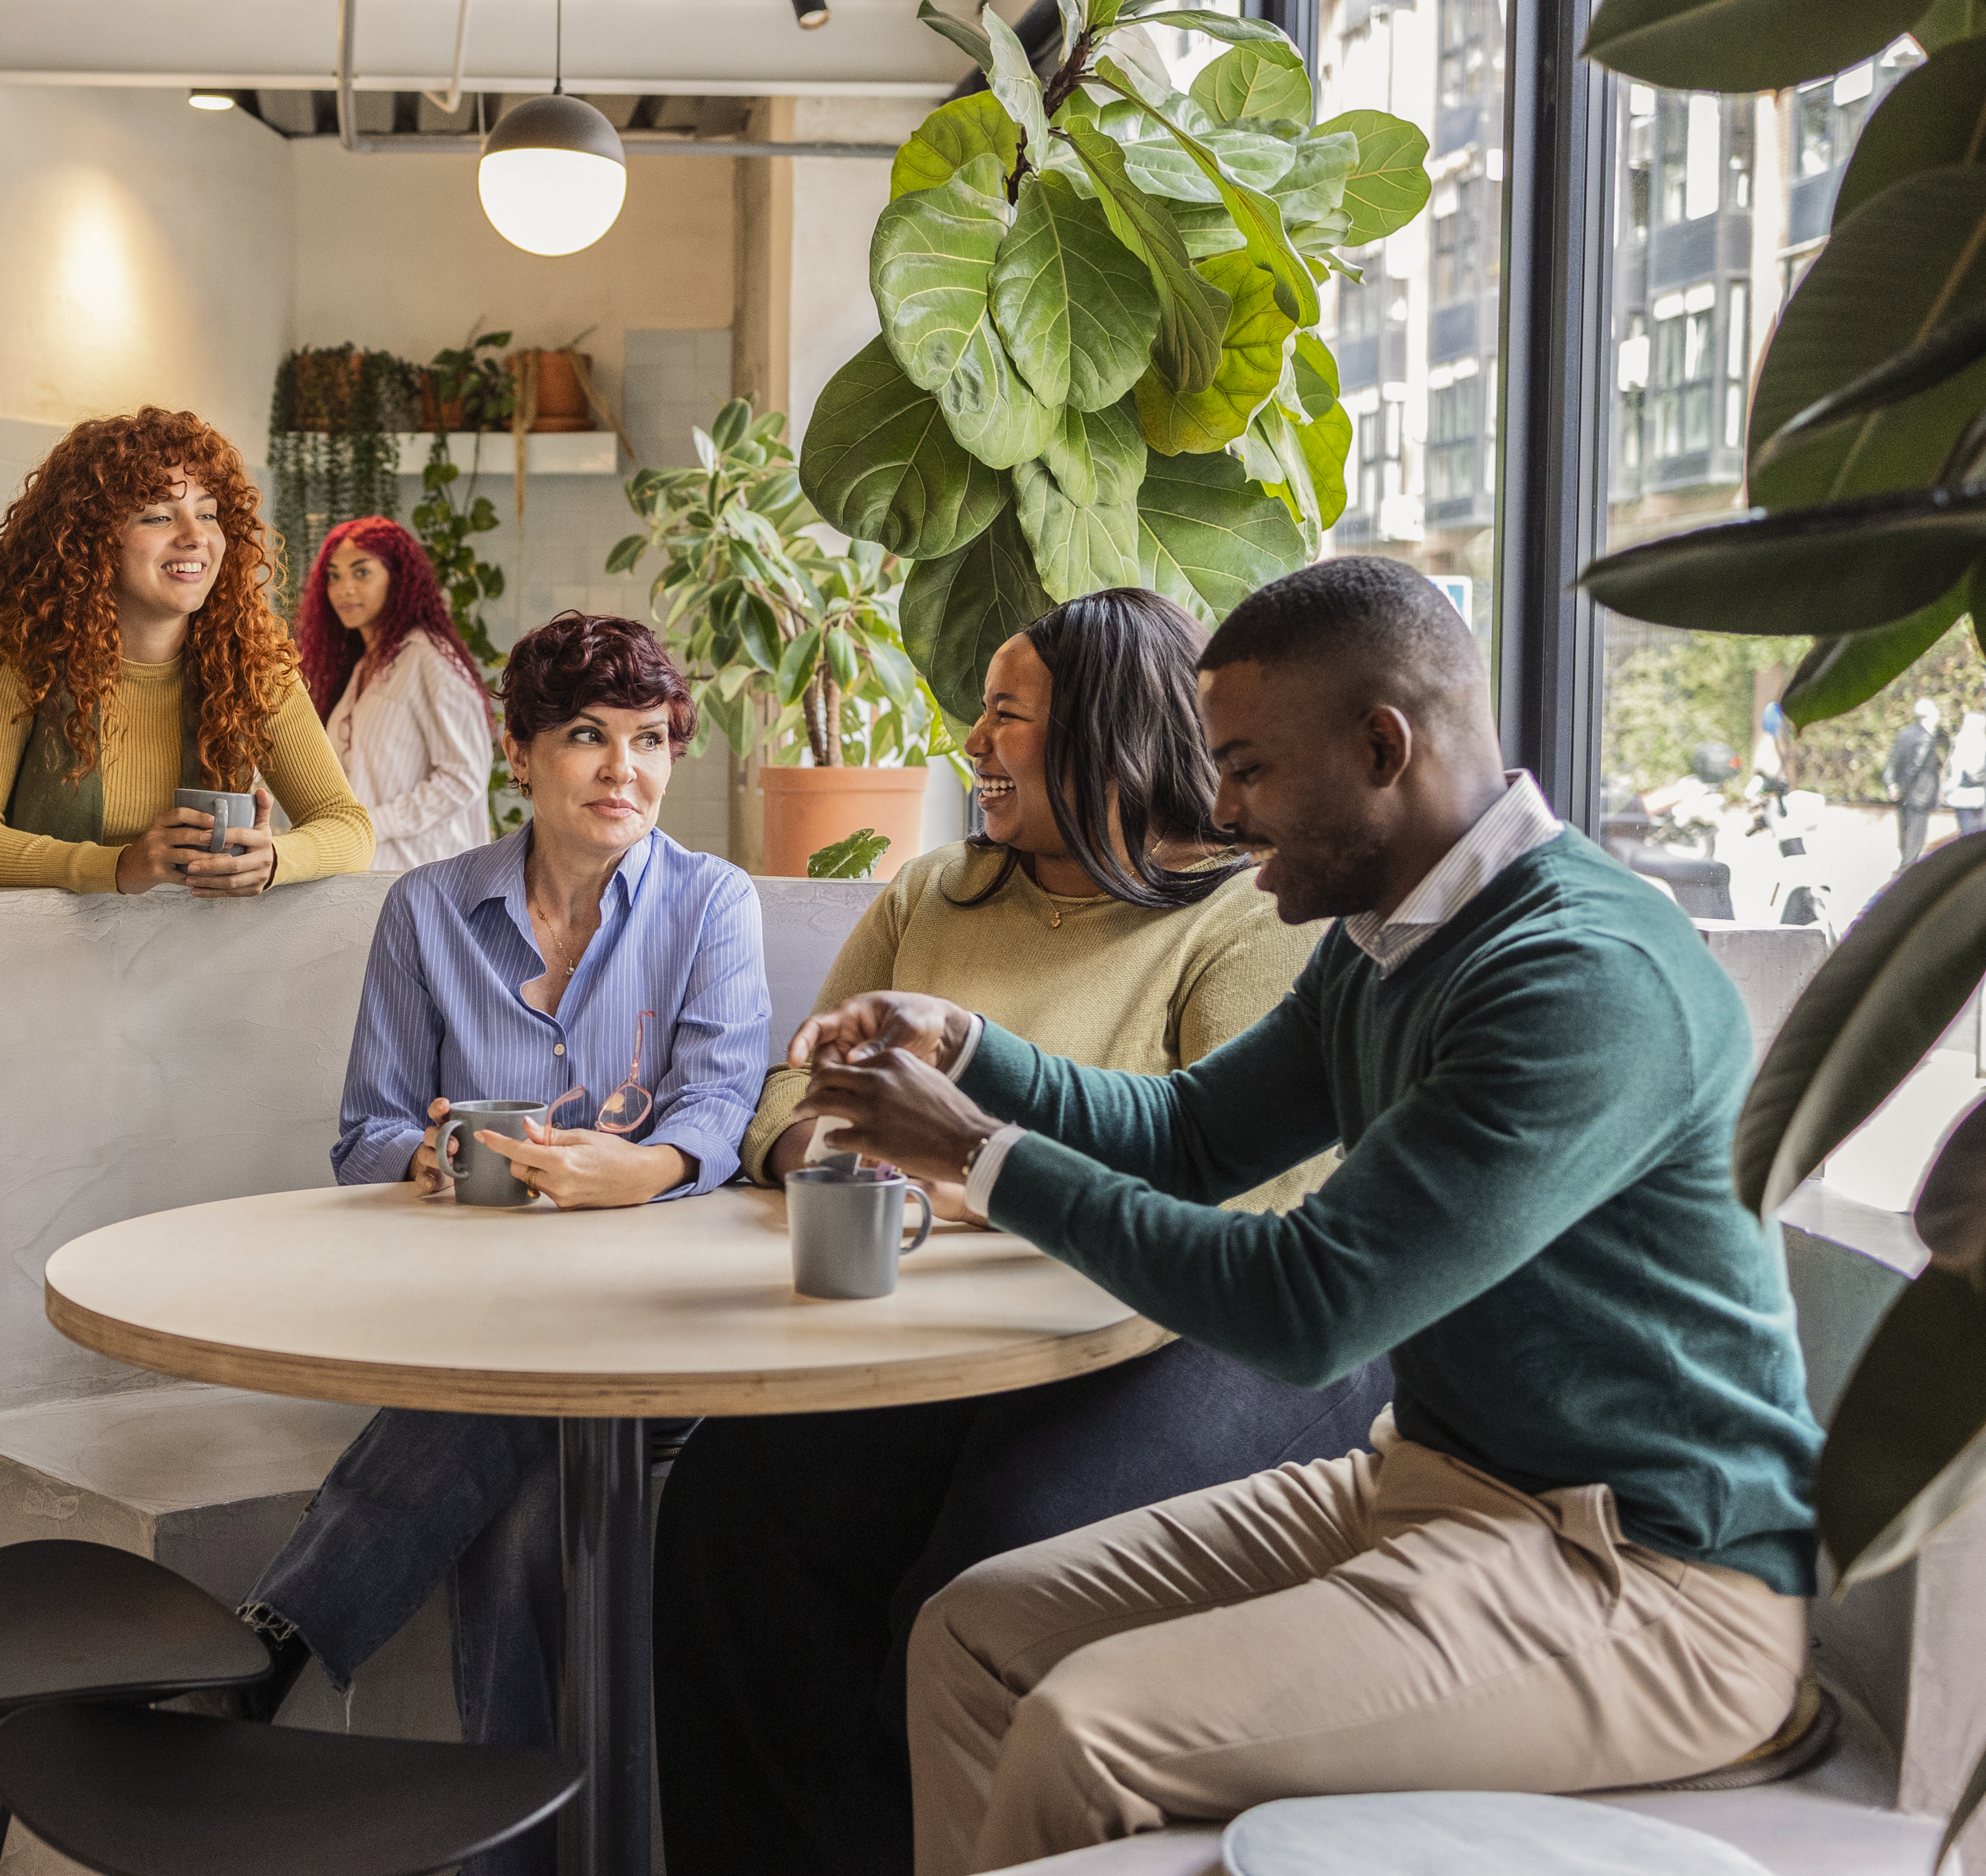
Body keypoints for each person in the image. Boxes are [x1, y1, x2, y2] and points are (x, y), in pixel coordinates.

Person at [789, 557, 1820, 1871]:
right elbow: (1195, 1135)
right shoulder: (1388, 937)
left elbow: (1311, 1304)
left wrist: (979, 1153)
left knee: (1086, 1731)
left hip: (1653, 1575)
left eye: (1248, 768)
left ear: (1382, 746)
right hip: (1439, 1485)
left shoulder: (1580, 979)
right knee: (974, 1633)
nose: (1218, 807)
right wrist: (974, 1046)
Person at [653, 590, 1388, 1876]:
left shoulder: (1242, 917)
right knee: (733, 1506)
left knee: (991, 1551)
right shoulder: (935, 890)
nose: (974, 740)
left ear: (1106, 734)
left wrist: (976, 1166)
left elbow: (1242, 1193)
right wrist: (845, 1153)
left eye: (1007, 714)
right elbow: (792, 1095)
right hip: (972, 1330)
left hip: (1211, 1333)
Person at [233, 612, 767, 1876]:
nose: (622, 771)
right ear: (519, 755)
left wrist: (639, 1169)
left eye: (649, 741)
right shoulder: (427, 913)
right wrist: (417, 1160)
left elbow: (718, 1112)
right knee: (525, 1512)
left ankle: (280, 1631)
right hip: (470, 1322)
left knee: (522, 1480)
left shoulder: (711, 904)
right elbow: (364, 1132)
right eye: (586, 738)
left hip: (653, 1335)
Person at [0, 408, 374, 896]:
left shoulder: (251, 659)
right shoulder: (15, 648)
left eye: (208, 513)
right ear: (89, 539)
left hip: (200, 959)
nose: (195, 536)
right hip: (40, 959)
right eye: (158, 515)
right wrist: (117, 867)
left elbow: (348, 825)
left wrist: (277, 858)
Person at [298, 516, 496, 870]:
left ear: (398, 578)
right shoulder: (364, 667)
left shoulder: (430, 660)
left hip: (428, 879)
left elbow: (463, 778)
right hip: (371, 877)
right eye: (334, 575)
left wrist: (371, 824)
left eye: (362, 572)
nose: (345, 589)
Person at [1884, 695, 1945, 869]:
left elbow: (1892, 760)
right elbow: (1915, 768)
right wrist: (1903, 788)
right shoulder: (1927, 738)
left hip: (1902, 794)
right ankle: (1906, 873)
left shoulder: (1904, 734)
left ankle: (1905, 867)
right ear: (1931, 715)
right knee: (1916, 838)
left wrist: (1892, 785)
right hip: (1919, 794)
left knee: (1904, 835)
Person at [1944, 709, 1986, 839]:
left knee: (1967, 837)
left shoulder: (1963, 741)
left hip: (1964, 796)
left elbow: (1957, 772)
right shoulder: (1983, 741)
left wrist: (1946, 789)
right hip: (1981, 795)